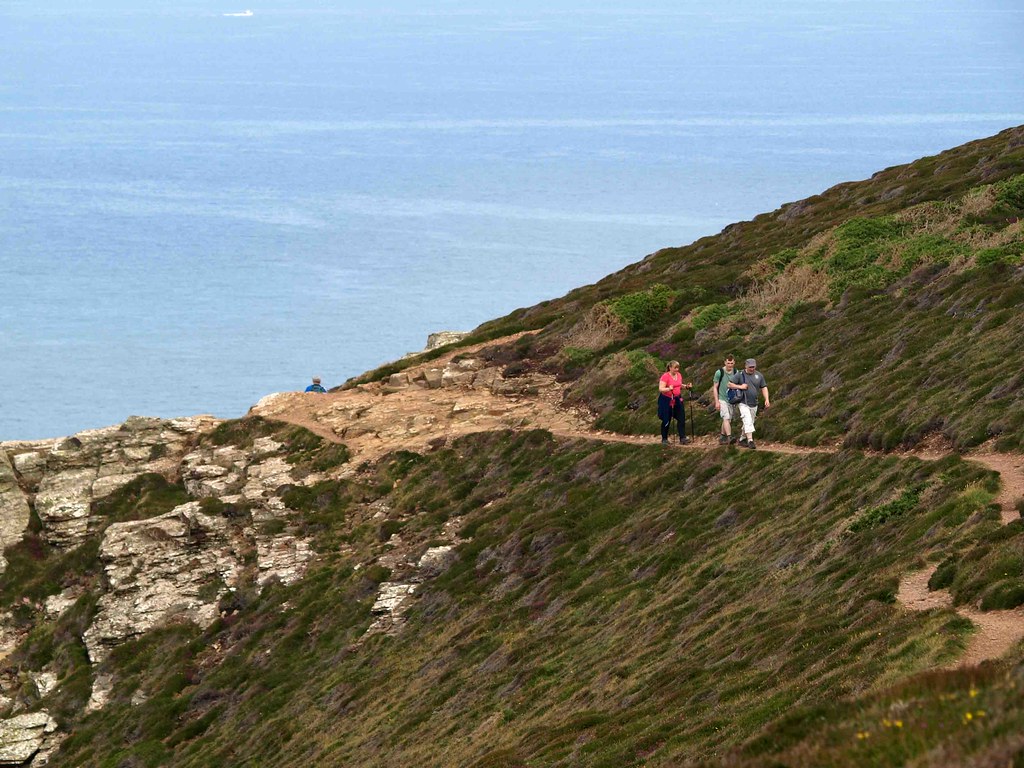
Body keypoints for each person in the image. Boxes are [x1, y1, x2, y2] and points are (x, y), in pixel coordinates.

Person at [727, 358, 770, 449]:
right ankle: (750, 440)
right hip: (743, 402)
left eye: (753, 367)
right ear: (746, 366)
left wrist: (767, 399)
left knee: (750, 422)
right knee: (747, 419)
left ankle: (742, 439)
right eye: (750, 367)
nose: (752, 369)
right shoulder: (740, 374)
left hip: (754, 403)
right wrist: (740, 386)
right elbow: (729, 384)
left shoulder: (759, 375)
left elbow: (764, 387)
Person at [658, 360, 692, 444]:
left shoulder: (679, 375)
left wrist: (686, 387)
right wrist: (668, 389)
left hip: (677, 399)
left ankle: (682, 438)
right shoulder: (665, 376)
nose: (677, 369)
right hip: (666, 400)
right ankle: (664, 438)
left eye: (678, 368)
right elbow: (661, 389)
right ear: (670, 368)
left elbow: (679, 385)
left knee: (681, 417)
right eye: (675, 368)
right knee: (666, 419)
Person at [712, 355, 738, 445]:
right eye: (728, 363)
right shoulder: (719, 372)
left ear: (734, 363)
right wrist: (717, 401)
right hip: (722, 398)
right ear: (725, 362)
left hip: (731, 399)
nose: (730, 365)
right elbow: (715, 387)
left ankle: (722, 436)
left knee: (728, 419)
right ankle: (729, 437)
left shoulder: (736, 372)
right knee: (726, 417)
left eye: (731, 363)